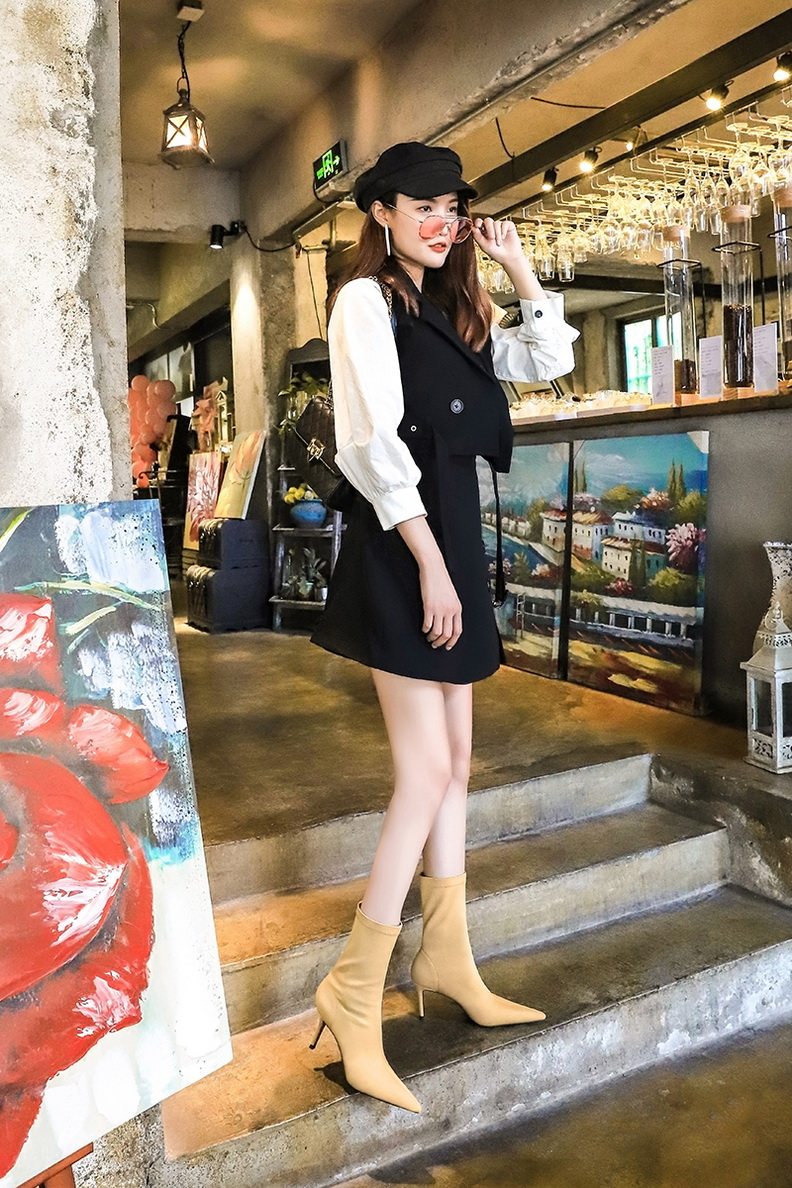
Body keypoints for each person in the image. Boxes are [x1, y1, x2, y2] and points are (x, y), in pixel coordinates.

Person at [309, 142, 579, 1114]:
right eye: (422, 205)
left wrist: (517, 268)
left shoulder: (454, 306)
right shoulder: (365, 303)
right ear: (380, 210)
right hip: (405, 546)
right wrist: (428, 562)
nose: (441, 220)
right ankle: (351, 990)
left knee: (458, 763)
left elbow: (547, 361)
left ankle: (450, 958)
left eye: (452, 207)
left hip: (451, 539)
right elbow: (367, 441)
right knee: (423, 771)